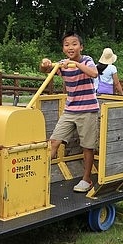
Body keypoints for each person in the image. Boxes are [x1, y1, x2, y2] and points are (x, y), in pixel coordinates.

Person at [40, 31, 99, 193]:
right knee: (54, 142)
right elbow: (45, 70)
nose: (70, 47)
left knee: (87, 146)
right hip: (70, 110)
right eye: (67, 45)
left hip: (88, 110)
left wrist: (75, 64)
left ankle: (86, 180)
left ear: (81, 47)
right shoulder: (62, 64)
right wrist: (45, 64)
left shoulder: (87, 60)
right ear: (63, 48)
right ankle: (39, 176)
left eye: (74, 44)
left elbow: (94, 73)